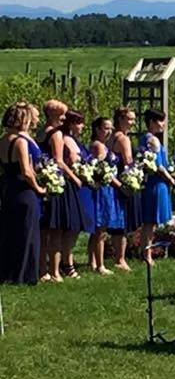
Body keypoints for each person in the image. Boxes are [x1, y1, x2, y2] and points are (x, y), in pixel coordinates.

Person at [38, 99, 85, 282]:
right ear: (54, 115)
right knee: (57, 230)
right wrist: (74, 178)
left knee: (44, 231)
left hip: (45, 181)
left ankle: (43, 269)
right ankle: (55, 270)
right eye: (63, 114)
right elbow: (59, 160)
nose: (65, 118)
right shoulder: (56, 134)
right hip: (58, 183)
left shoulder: (41, 132)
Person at [0, 102, 44, 284]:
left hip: (8, 188)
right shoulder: (20, 142)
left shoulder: (2, 141)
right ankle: (24, 274)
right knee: (27, 232)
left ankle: (7, 272)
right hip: (23, 190)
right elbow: (26, 171)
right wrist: (39, 188)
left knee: (10, 232)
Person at [139, 109, 175, 265]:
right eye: (160, 121)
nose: (163, 124)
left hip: (157, 183)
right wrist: (170, 178)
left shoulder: (147, 138)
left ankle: (147, 252)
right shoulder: (152, 140)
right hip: (156, 183)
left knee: (151, 222)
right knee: (150, 221)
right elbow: (157, 165)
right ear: (151, 122)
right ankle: (146, 254)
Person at [60, 110, 94, 276]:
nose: (82, 126)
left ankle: (67, 259)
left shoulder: (76, 141)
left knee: (77, 227)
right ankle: (67, 263)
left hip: (83, 184)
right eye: (79, 123)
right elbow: (70, 161)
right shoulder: (66, 140)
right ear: (71, 124)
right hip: (74, 185)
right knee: (72, 227)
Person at [89, 116, 124, 275]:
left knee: (99, 229)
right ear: (97, 130)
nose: (109, 132)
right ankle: (100, 265)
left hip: (107, 188)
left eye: (111, 128)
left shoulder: (103, 145)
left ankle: (93, 261)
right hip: (104, 189)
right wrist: (120, 185)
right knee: (100, 229)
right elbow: (103, 170)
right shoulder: (98, 147)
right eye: (106, 128)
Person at [107, 107, 136, 270]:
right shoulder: (123, 139)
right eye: (129, 119)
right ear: (120, 120)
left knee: (115, 222)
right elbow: (128, 161)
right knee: (122, 222)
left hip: (112, 181)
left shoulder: (110, 137)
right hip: (121, 181)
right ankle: (120, 258)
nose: (132, 123)